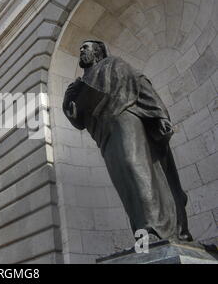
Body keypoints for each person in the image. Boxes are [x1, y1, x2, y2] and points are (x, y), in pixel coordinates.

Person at [63, 40, 193, 242]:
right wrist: (68, 104)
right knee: (124, 184)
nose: (81, 51)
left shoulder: (114, 64)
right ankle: (143, 235)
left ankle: (156, 230)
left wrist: (160, 115)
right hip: (105, 135)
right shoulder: (79, 83)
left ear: (97, 52)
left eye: (85, 48)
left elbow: (139, 82)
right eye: (80, 48)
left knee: (135, 169)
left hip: (125, 120)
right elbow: (79, 121)